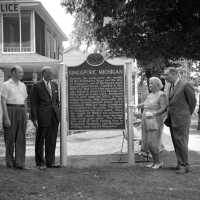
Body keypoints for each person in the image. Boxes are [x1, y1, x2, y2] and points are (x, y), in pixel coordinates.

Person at [163, 67, 196, 174]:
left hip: (182, 119)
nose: (165, 77)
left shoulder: (185, 85)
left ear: (173, 74)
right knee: (176, 142)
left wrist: (186, 115)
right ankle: (180, 163)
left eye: (166, 75)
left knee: (181, 142)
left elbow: (192, 102)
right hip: (172, 119)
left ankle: (185, 165)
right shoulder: (171, 86)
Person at [30, 66, 60, 169]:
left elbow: (57, 102)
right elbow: (33, 103)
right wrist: (34, 118)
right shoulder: (36, 86)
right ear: (44, 74)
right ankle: (40, 163)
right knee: (40, 140)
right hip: (42, 117)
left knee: (51, 140)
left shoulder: (55, 85)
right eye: (50, 73)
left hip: (54, 117)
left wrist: (58, 113)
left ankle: (50, 162)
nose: (52, 74)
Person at [137, 77, 168, 169]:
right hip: (145, 119)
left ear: (157, 85)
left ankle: (158, 162)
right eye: (149, 83)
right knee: (147, 142)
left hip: (155, 120)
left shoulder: (162, 95)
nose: (149, 85)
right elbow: (146, 104)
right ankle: (154, 162)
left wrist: (154, 113)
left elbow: (163, 108)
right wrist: (140, 105)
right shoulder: (150, 95)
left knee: (153, 142)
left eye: (151, 83)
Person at [1, 65, 28, 169]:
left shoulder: (23, 85)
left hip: (21, 111)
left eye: (22, 72)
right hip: (10, 110)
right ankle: (10, 162)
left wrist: (26, 114)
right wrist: (6, 117)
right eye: (20, 72)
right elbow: (3, 101)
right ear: (13, 73)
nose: (22, 74)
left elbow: (25, 101)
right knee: (10, 138)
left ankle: (20, 163)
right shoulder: (6, 85)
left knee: (21, 138)